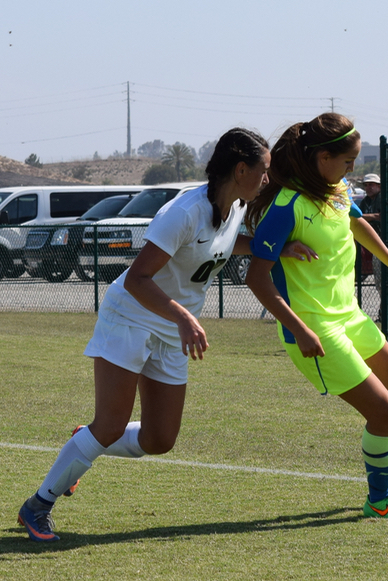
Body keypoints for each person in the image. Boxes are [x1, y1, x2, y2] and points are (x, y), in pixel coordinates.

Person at [17, 128, 313, 542]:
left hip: (173, 327)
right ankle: (37, 506)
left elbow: (222, 249)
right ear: (241, 168)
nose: (268, 180)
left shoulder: (234, 208)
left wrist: (275, 249)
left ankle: (86, 442)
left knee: (161, 439)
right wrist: (182, 317)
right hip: (133, 317)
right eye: (263, 171)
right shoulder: (184, 211)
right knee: (110, 424)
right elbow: (138, 278)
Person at [245, 112, 388, 520]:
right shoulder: (286, 206)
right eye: (348, 161)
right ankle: (380, 502)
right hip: (314, 328)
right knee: (382, 412)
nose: (353, 169)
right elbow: (257, 279)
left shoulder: (334, 190)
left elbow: (357, 224)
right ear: (321, 157)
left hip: (348, 314)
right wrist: (298, 329)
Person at [357, 173, 388, 321]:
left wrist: (363, 217)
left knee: (387, 276)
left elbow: (382, 216)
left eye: (371, 184)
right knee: (380, 278)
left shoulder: (384, 198)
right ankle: (386, 312)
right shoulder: (365, 201)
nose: (368, 187)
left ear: (379, 186)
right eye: (366, 185)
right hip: (378, 243)